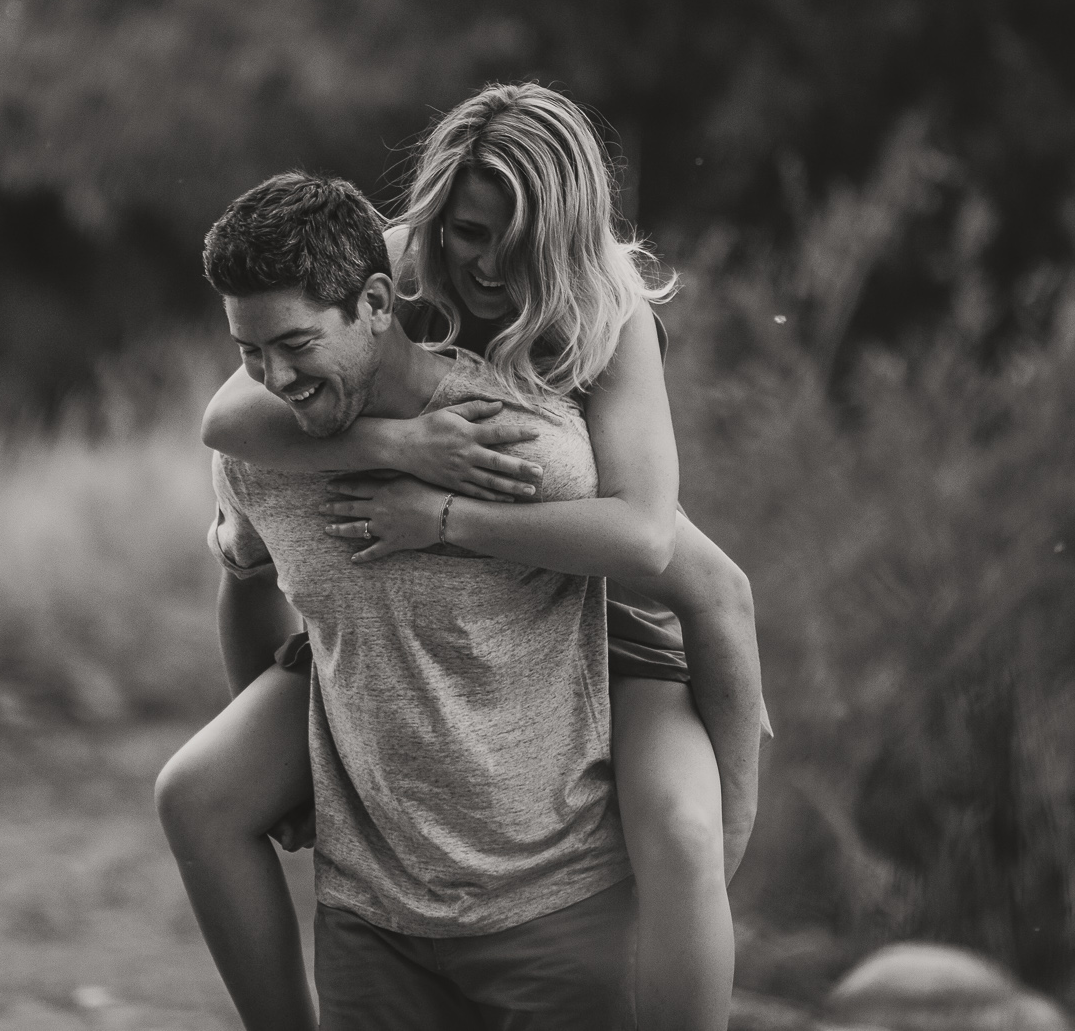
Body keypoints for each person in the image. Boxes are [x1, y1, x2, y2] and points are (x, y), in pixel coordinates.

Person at [159, 84, 767, 1031]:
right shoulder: (394, 263)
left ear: (562, 239)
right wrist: (397, 446)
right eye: (469, 233)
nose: (485, 264)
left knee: (686, 833)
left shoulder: (607, 309)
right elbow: (229, 419)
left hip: (596, 582)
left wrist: (443, 515)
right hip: (411, 586)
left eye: (514, 243)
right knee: (197, 790)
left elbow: (650, 538)